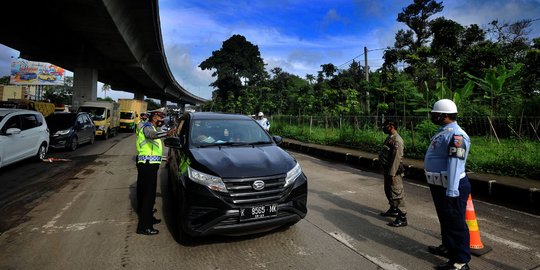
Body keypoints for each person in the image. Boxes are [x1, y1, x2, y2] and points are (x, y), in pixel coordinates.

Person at [424, 99, 471, 270]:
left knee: (456, 222)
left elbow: (454, 163)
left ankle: (460, 261)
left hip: (451, 186)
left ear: (444, 116)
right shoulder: (444, 131)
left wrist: (452, 190)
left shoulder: (456, 135)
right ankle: (448, 247)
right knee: (445, 220)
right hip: (440, 185)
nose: (432, 116)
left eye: (435, 114)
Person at [135, 110, 175, 235]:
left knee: (147, 195)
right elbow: (150, 136)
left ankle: (149, 218)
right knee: (148, 196)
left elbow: (153, 151)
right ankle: (144, 226)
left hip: (149, 164)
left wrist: (165, 159)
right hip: (147, 165)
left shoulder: (152, 127)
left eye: (163, 117)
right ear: (154, 116)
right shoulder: (146, 126)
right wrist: (166, 134)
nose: (162, 120)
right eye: (160, 117)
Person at [378, 119, 407, 227]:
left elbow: (396, 158)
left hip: (393, 172)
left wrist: (392, 173)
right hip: (388, 170)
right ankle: (393, 209)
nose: (383, 128)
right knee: (389, 191)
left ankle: (402, 216)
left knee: (397, 193)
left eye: (385, 126)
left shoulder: (397, 140)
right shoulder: (390, 138)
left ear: (391, 126)